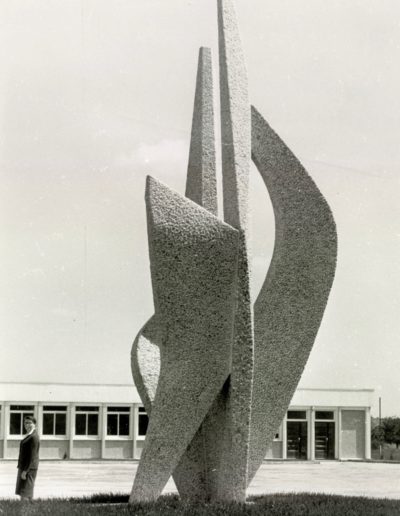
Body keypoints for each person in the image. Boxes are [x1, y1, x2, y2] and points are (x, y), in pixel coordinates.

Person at [15, 415, 40, 501]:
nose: (27, 425)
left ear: (35, 424)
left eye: (30, 423)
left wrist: (25, 471)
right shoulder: (29, 435)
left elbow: (32, 456)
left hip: (29, 468)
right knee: (26, 492)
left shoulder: (34, 437)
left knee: (25, 493)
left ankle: (26, 511)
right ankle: (30, 509)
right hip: (24, 467)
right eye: (25, 423)